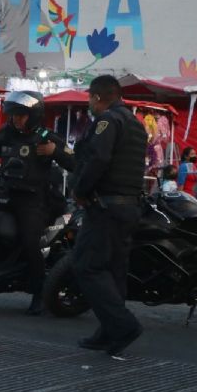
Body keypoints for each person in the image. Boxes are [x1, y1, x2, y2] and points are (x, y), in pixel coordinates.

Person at [0, 91, 74, 315]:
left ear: (33, 115)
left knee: (30, 242)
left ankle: (39, 293)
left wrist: (54, 151)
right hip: (5, 196)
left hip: (33, 200)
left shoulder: (46, 137)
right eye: (14, 114)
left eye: (21, 115)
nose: (16, 119)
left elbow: (74, 161)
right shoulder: (6, 133)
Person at [71, 75, 146, 357]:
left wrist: (80, 189)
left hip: (105, 206)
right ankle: (108, 331)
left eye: (90, 98)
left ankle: (123, 325)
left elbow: (99, 159)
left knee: (86, 266)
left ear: (98, 97)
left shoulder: (108, 121)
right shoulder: (135, 124)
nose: (89, 104)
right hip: (127, 206)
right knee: (114, 271)